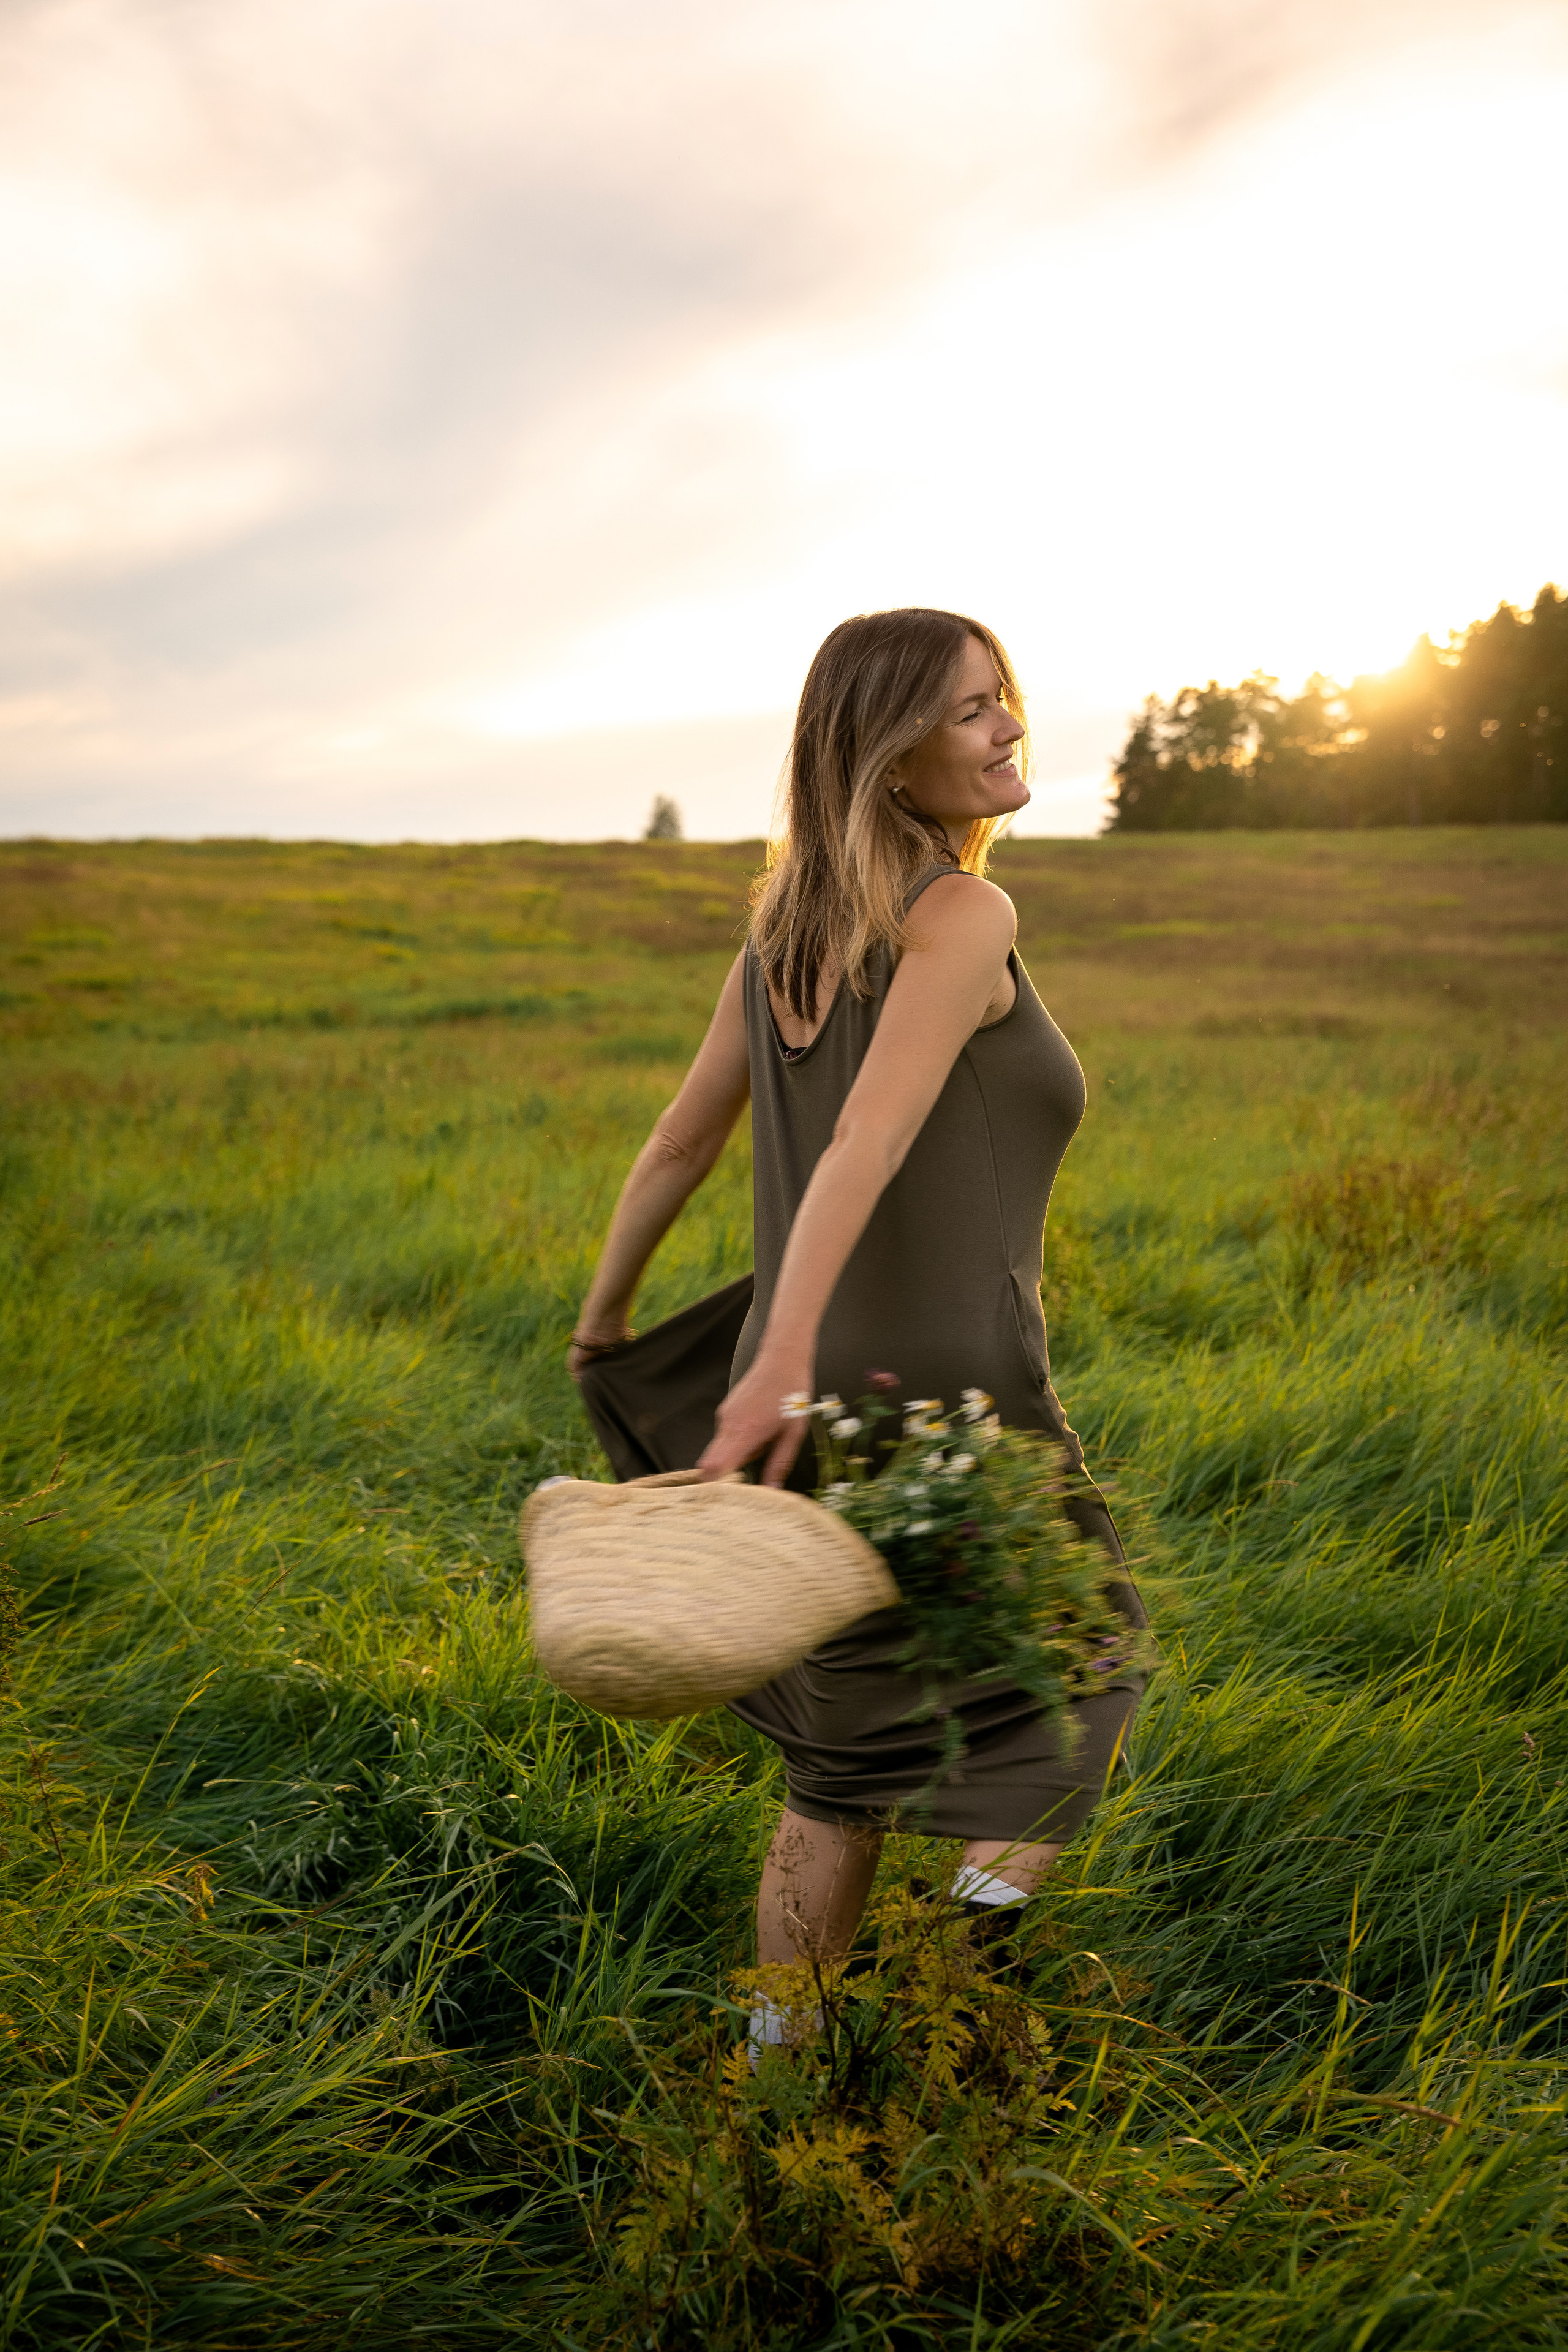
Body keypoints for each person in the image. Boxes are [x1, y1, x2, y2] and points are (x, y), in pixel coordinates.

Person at [567, 607, 1145, 2016]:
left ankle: (781, 2065)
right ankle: (961, 1980)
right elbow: (864, 1144)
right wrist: (764, 1354)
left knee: (845, 1757)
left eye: (999, 696)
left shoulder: (781, 938)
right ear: (888, 760)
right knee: (1084, 1671)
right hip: (954, 1394)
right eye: (966, 710)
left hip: (825, 1391)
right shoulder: (963, 914)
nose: (1008, 723)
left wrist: (605, 1325)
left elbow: (674, 1144)